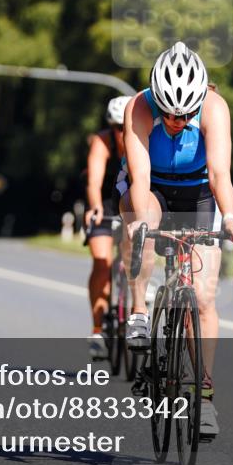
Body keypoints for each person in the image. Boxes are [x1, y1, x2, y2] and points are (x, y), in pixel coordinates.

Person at [119, 41, 233, 438]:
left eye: (184, 114)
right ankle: (139, 311)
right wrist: (142, 224)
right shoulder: (138, 107)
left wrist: (230, 219)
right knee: (143, 224)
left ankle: (204, 396)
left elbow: (220, 175)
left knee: (203, 298)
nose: (176, 121)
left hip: (198, 193)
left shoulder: (215, 108)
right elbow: (139, 178)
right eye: (169, 113)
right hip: (152, 187)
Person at [83, 95, 131, 359]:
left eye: (127, 126)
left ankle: (136, 311)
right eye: (118, 127)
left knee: (133, 257)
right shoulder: (103, 141)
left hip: (131, 202)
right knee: (101, 262)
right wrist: (94, 206)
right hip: (104, 202)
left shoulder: (144, 137)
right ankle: (98, 329)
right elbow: (94, 179)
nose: (123, 133)